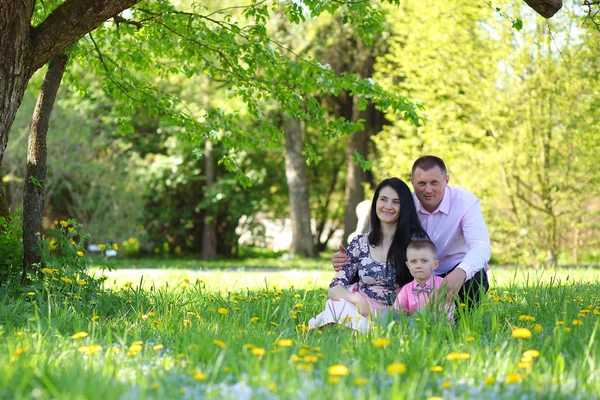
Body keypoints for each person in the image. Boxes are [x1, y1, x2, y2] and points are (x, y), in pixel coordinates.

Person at [333, 156, 491, 307]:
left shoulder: (465, 202)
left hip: (454, 271)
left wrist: (461, 271)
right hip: (414, 273)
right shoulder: (403, 203)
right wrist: (346, 259)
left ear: (446, 180)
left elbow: (481, 246)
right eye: (422, 183)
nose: (428, 189)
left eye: (434, 182)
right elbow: (377, 241)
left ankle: (460, 319)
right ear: (412, 182)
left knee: (475, 275)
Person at [308, 178, 427, 333]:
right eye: (383, 199)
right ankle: (354, 331)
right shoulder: (360, 243)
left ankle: (360, 332)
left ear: (404, 206)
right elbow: (334, 288)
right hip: (361, 308)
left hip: (396, 314)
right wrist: (359, 301)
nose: (388, 206)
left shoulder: (417, 242)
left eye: (396, 202)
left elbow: (426, 284)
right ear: (375, 202)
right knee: (336, 304)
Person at [394, 239, 454, 320]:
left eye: (424, 261)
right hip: (414, 328)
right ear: (408, 265)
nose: (419, 265)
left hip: (439, 326)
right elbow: (398, 312)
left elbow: (449, 310)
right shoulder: (406, 289)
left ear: (435, 264)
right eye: (413, 261)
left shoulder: (443, 284)